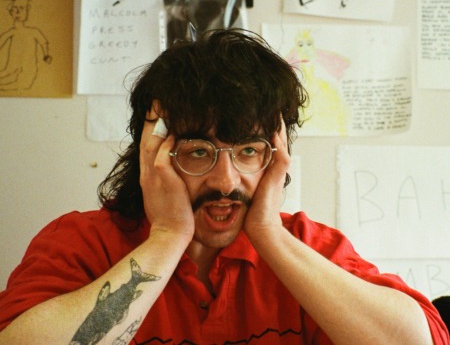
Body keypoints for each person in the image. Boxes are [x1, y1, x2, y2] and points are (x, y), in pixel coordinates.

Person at [0, 29, 448, 345]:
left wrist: (270, 235)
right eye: (199, 152)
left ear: (276, 155)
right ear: (152, 153)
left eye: (249, 150)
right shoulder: (84, 243)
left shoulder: (305, 246)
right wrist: (167, 238)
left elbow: (421, 341)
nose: (226, 181)